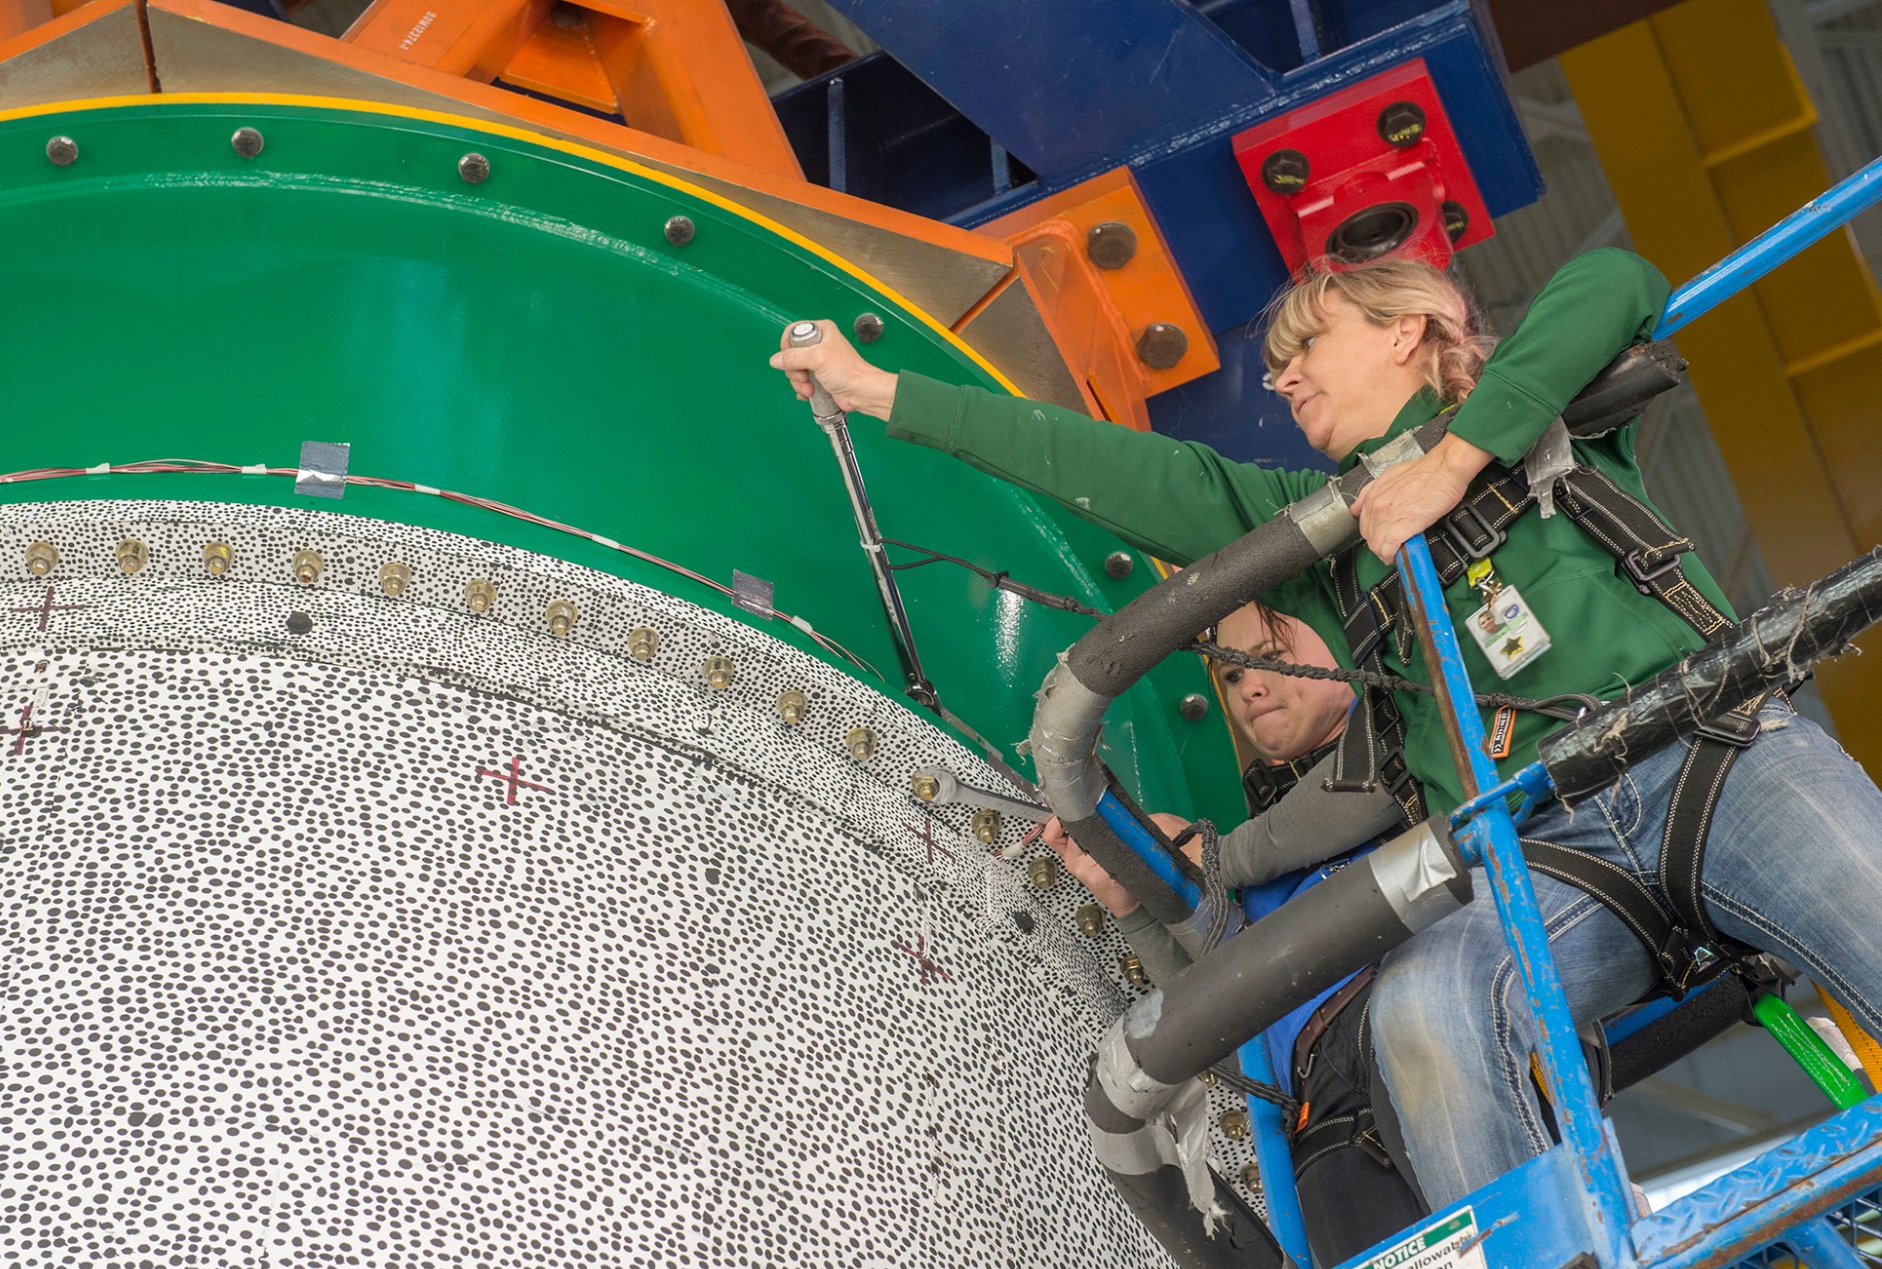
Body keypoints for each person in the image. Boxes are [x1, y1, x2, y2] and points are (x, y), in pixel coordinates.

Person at [770, 247, 1882, 1220]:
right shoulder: (1328, 539)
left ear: (1414, 332)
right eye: (1275, 367)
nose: (1280, 376)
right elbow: (1118, 471)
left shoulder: (1547, 419)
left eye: (1309, 344)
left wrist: (1446, 464)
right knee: (1423, 1005)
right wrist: (878, 391)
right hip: (1544, 850)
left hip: (1710, 757)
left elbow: (1614, 279)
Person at [1048, 601, 1423, 1269]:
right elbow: (1226, 1032)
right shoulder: (1262, 836)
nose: (1249, 686)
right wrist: (1131, 903)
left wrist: (1204, 854)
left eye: (1270, 660)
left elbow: (1372, 783)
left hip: (1410, 1027)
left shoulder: (1415, 743)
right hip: (1319, 1113)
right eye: (1230, 677)